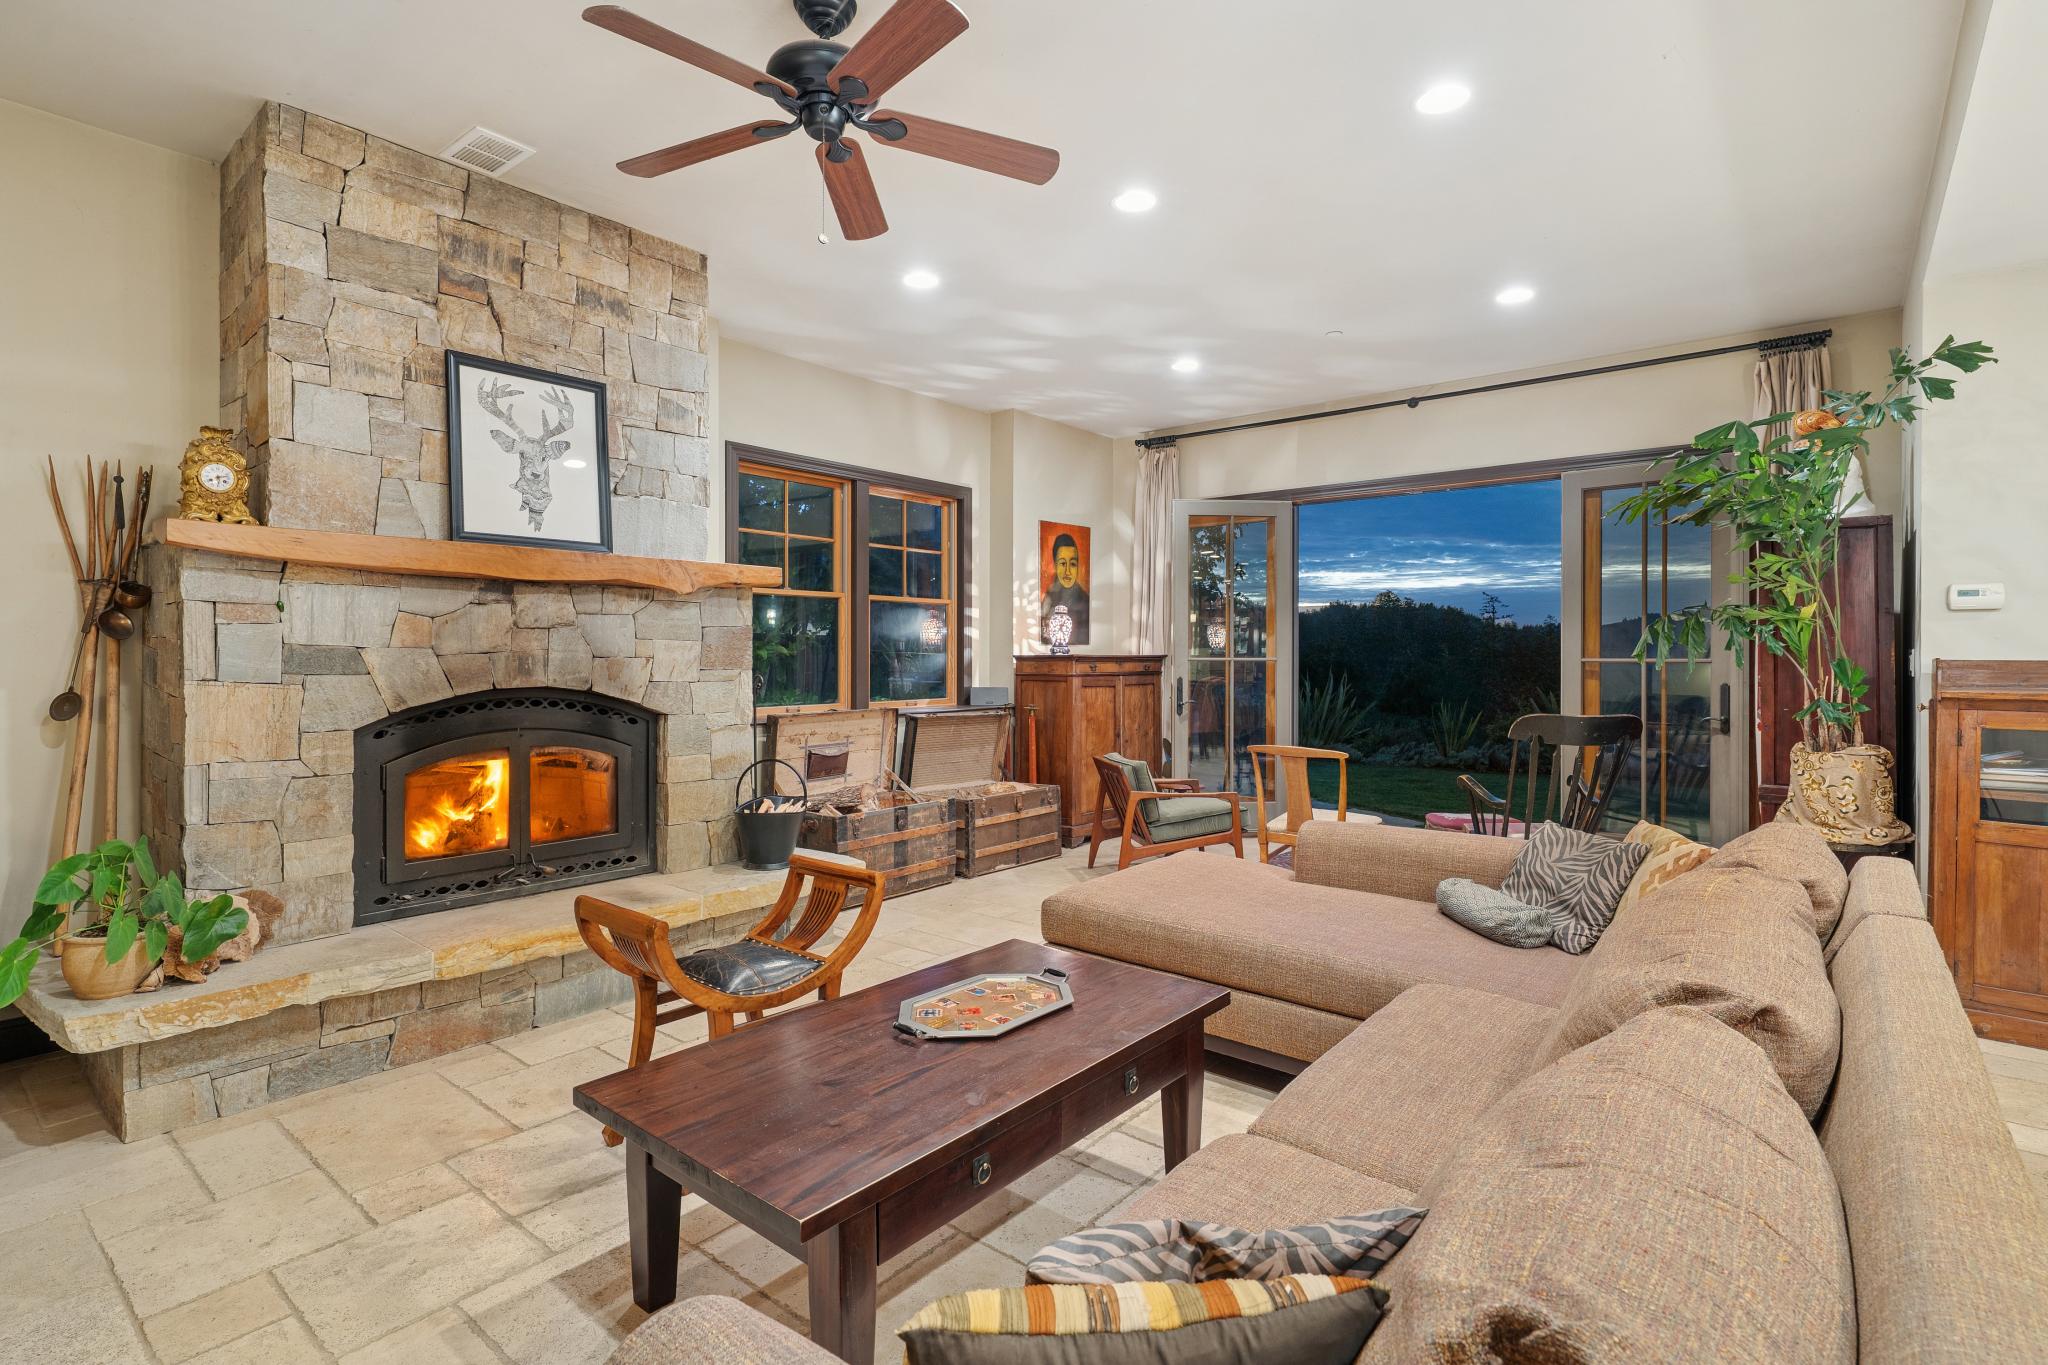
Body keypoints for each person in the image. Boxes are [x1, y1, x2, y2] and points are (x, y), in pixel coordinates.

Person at [1041, 533, 1090, 643]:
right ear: (1055, 565)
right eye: (1063, 563)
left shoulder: (1086, 601)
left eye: (1072, 564)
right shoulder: (1047, 598)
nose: (1068, 571)